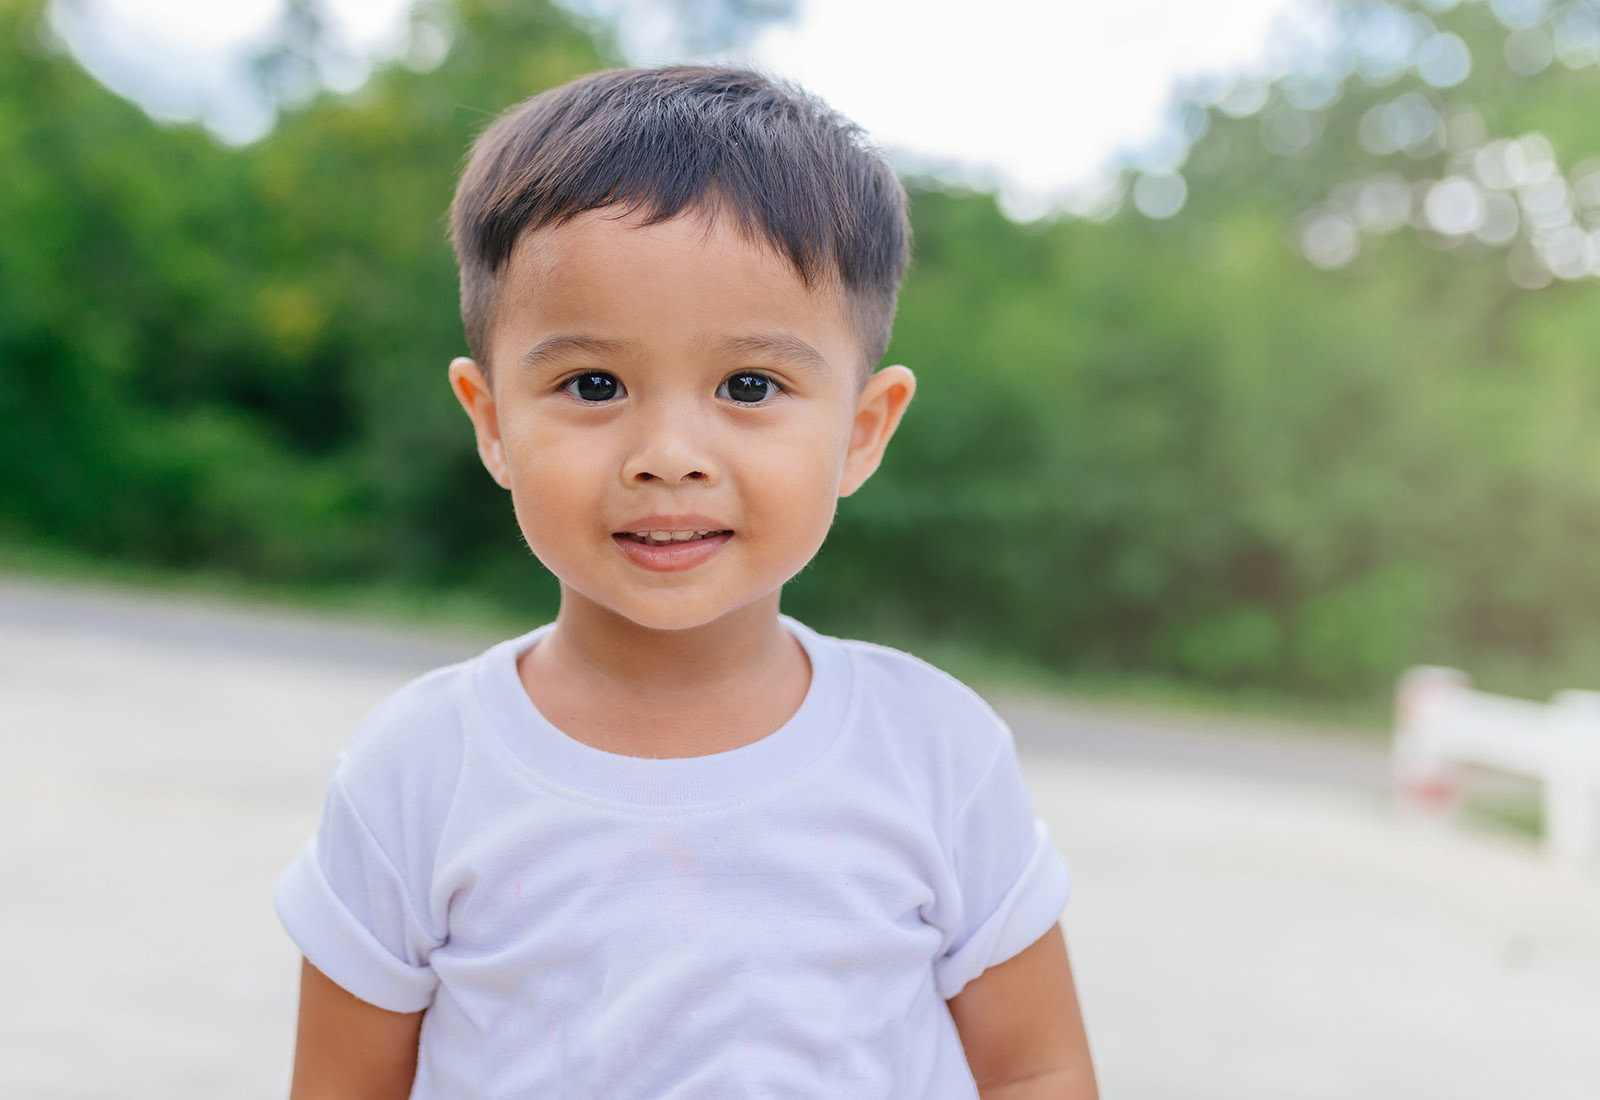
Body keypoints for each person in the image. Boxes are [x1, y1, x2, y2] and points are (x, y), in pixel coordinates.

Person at [276, 65, 1097, 1099]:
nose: (668, 453)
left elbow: (1036, 1067)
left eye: (748, 386)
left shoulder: (935, 752)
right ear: (490, 419)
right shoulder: (420, 769)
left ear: (861, 429)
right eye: (593, 384)